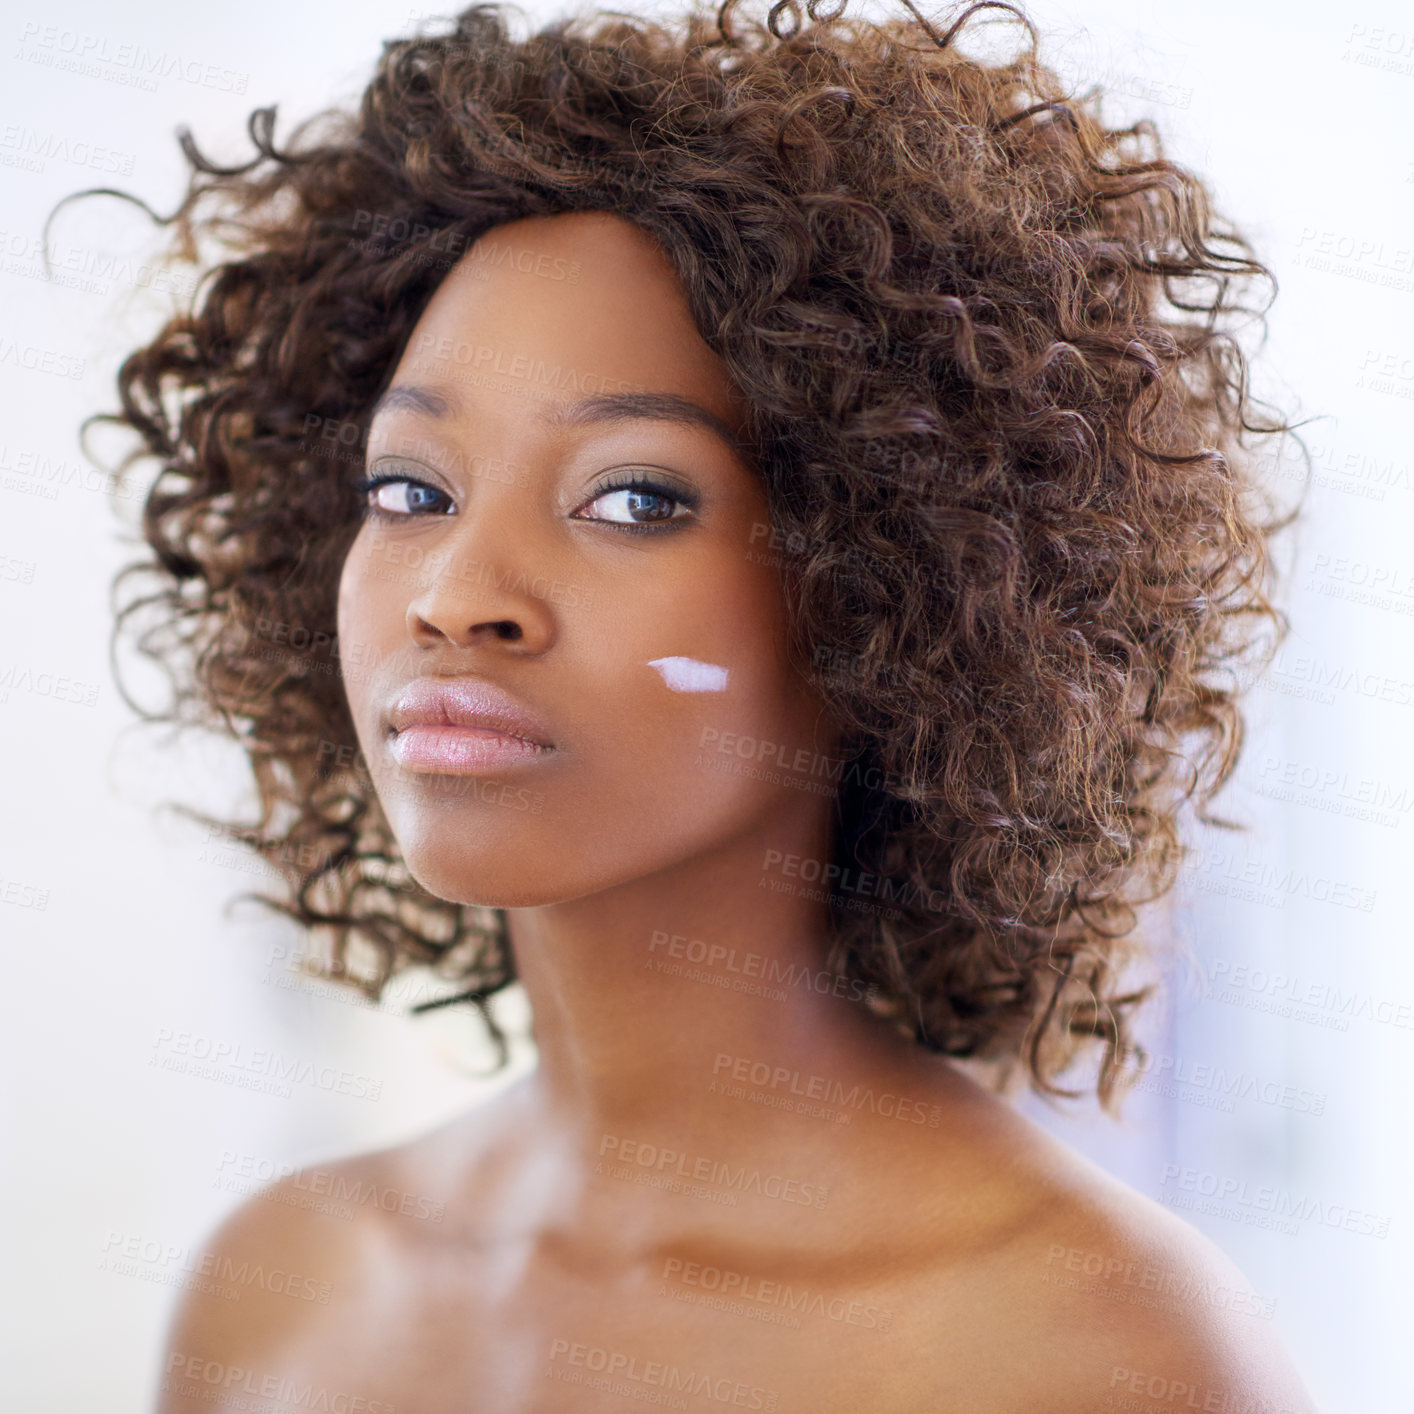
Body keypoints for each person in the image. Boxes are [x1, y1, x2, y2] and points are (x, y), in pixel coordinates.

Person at [87, 0, 1317, 1408]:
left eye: (632, 497)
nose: (454, 591)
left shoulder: (1084, 1348)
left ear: (892, 585)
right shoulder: (276, 1291)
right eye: (409, 489)